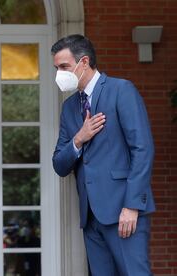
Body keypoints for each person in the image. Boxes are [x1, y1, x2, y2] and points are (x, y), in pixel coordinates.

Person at [51, 34, 155, 275]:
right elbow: (59, 164)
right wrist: (79, 138)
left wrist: (132, 205)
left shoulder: (121, 90)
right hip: (90, 217)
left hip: (124, 211)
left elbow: (142, 149)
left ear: (84, 62)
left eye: (64, 67)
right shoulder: (69, 107)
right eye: (56, 68)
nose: (59, 73)